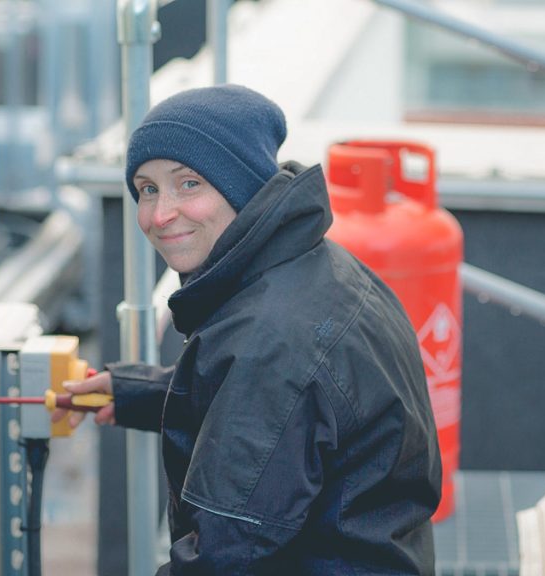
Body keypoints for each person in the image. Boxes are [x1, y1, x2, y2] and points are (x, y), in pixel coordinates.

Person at [54, 84, 442, 575]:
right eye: (147, 189)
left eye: (188, 183)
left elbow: (222, 559)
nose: (159, 214)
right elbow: (281, 413)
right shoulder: (320, 268)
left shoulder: (272, 344)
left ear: (241, 185)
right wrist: (141, 391)